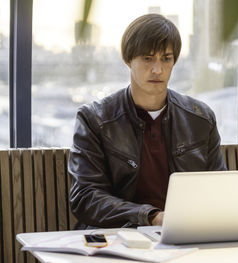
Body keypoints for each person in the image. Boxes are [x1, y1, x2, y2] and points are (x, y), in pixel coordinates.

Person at [68, 13, 226, 229]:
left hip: (186, 234)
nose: (157, 70)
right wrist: (151, 217)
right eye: (147, 58)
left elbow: (220, 189)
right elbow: (86, 197)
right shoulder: (95, 119)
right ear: (128, 60)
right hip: (118, 238)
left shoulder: (200, 119)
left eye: (166, 59)